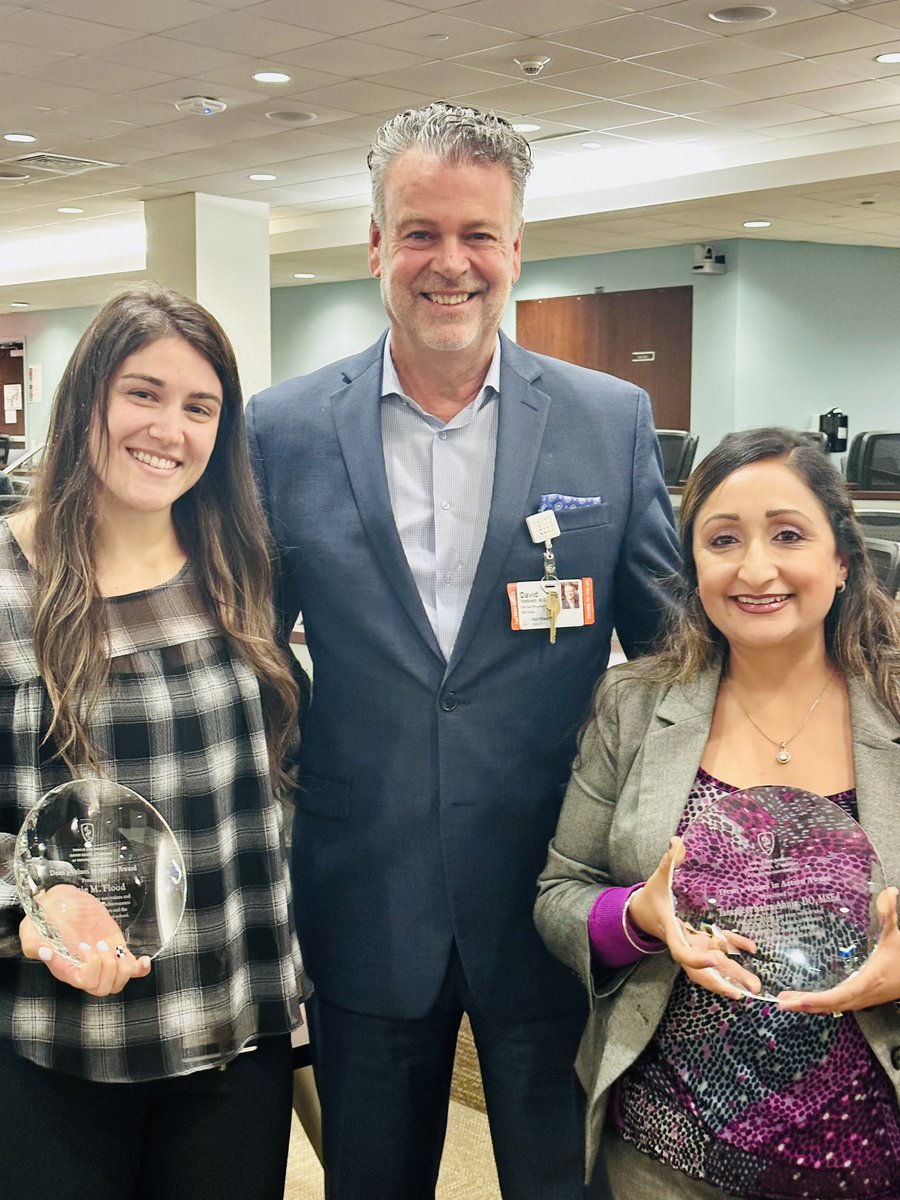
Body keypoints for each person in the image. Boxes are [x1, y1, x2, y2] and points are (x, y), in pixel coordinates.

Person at [245, 100, 679, 1199]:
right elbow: (247, 648)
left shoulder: (607, 418)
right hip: (362, 890)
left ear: (517, 250)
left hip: (551, 897)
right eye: (422, 231)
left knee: (556, 1179)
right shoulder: (282, 431)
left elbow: (676, 657)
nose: (452, 263)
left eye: (479, 234)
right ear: (378, 245)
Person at [0, 284, 309, 1200]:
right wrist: (36, 911)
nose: (168, 428)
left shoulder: (240, 570)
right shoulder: (9, 586)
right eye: (143, 393)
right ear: (87, 396)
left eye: (199, 406)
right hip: (58, 1044)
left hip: (232, 1034)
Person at [535, 426, 900, 1199]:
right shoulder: (634, 704)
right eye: (723, 539)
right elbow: (560, 894)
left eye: (789, 535)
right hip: (665, 1156)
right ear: (693, 566)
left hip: (870, 1154)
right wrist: (639, 918)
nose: (755, 567)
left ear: (841, 560)